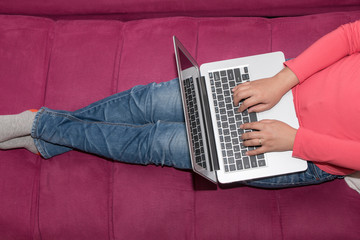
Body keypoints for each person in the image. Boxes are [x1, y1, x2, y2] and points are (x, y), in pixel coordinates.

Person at [1, 20, 360, 190]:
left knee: (158, 142)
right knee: (150, 99)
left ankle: (39, 126)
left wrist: (294, 141)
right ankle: (46, 133)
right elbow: (350, 37)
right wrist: (281, 80)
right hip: (281, 85)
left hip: (300, 150)